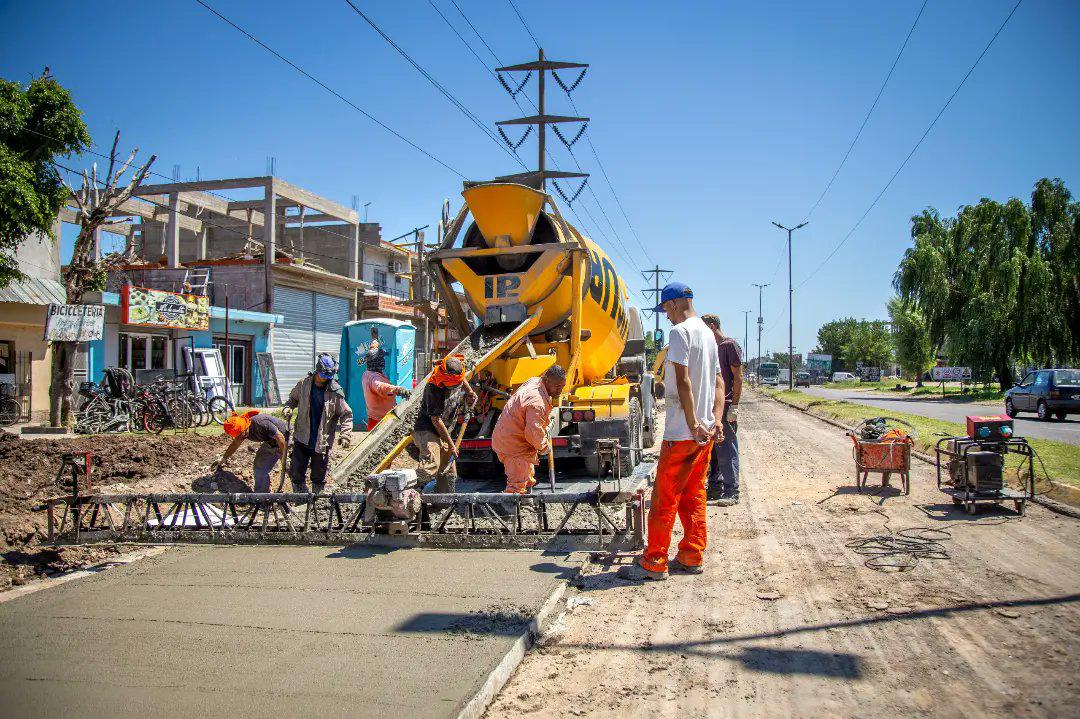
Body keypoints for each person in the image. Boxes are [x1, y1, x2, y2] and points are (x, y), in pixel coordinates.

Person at [619, 282, 722, 581]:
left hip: (682, 433)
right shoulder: (707, 334)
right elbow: (718, 384)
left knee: (665, 499)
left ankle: (654, 561)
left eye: (665, 308)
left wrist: (691, 423)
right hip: (704, 435)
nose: (665, 315)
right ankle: (691, 556)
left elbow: (684, 381)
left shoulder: (681, 333)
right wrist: (713, 421)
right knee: (693, 495)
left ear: (675, 303)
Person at [284, 353, 354, 494]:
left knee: (318, 476)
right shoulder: (303, 384)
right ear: (317, 371)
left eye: (329, 376)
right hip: (302, 437)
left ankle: (317, 503)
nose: (326, 379)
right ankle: (300, 500)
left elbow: (346, 414)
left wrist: (345, 435)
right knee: (296, 473)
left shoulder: (335, 392)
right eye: (324, 375)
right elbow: (292, 399)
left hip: (322, 442)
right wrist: (288, 408)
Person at [493, 365, 567, 494]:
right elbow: (533, 432)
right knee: (517, 484)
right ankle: (512, 510)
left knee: (527, 475)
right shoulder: (537, 402)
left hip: (509, 436)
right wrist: (544, 447)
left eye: (562, 386)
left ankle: (525, 504)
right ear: (547, 380)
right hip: (514, 445)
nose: (560, 390)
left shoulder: (534, 381)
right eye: (557, 386)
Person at [412, 354, 477, 494]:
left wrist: (470, 392)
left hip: (445, 430)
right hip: (427, 430)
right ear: (445, 379)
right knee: (431, 465)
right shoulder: (433, 388)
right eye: (454, 384)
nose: (456, 385)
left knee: (449, 471)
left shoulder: (454, 372)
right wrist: (452, 444)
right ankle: (407, 493)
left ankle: (444, 502)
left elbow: (461, 378)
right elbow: (436, 420)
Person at [701, 314, 741, 505]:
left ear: (712, 326)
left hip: (725, 406)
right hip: (711, 406)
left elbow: (738, 377)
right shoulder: (710, 348)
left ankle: (732, 491)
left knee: (727, 448)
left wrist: (734, 405)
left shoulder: (728, 346)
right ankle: (715, 488)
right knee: (714, 451)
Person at [211, 409, 289, 492]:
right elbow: (235, 444)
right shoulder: (242, 432)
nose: (238, 438)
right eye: (236, 436)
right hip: (270, 442)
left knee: (292, 468)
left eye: (239, 435)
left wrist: (284, 457)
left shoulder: (261, 423)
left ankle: (300, 496)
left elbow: (280, 438)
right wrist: (223, 459)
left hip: (287, 439)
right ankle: (262, 498)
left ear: (244, 429)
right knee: (259, 469)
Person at [362, 328, 410, 431]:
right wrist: (398, 389)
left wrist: (375, 340)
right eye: (382, 358)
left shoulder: (367, 374)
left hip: (373, 418)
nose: (384, 360)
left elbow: (373, 350)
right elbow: (381, 386)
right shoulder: (374, 378)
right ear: (378, 362)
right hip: (381, 421)